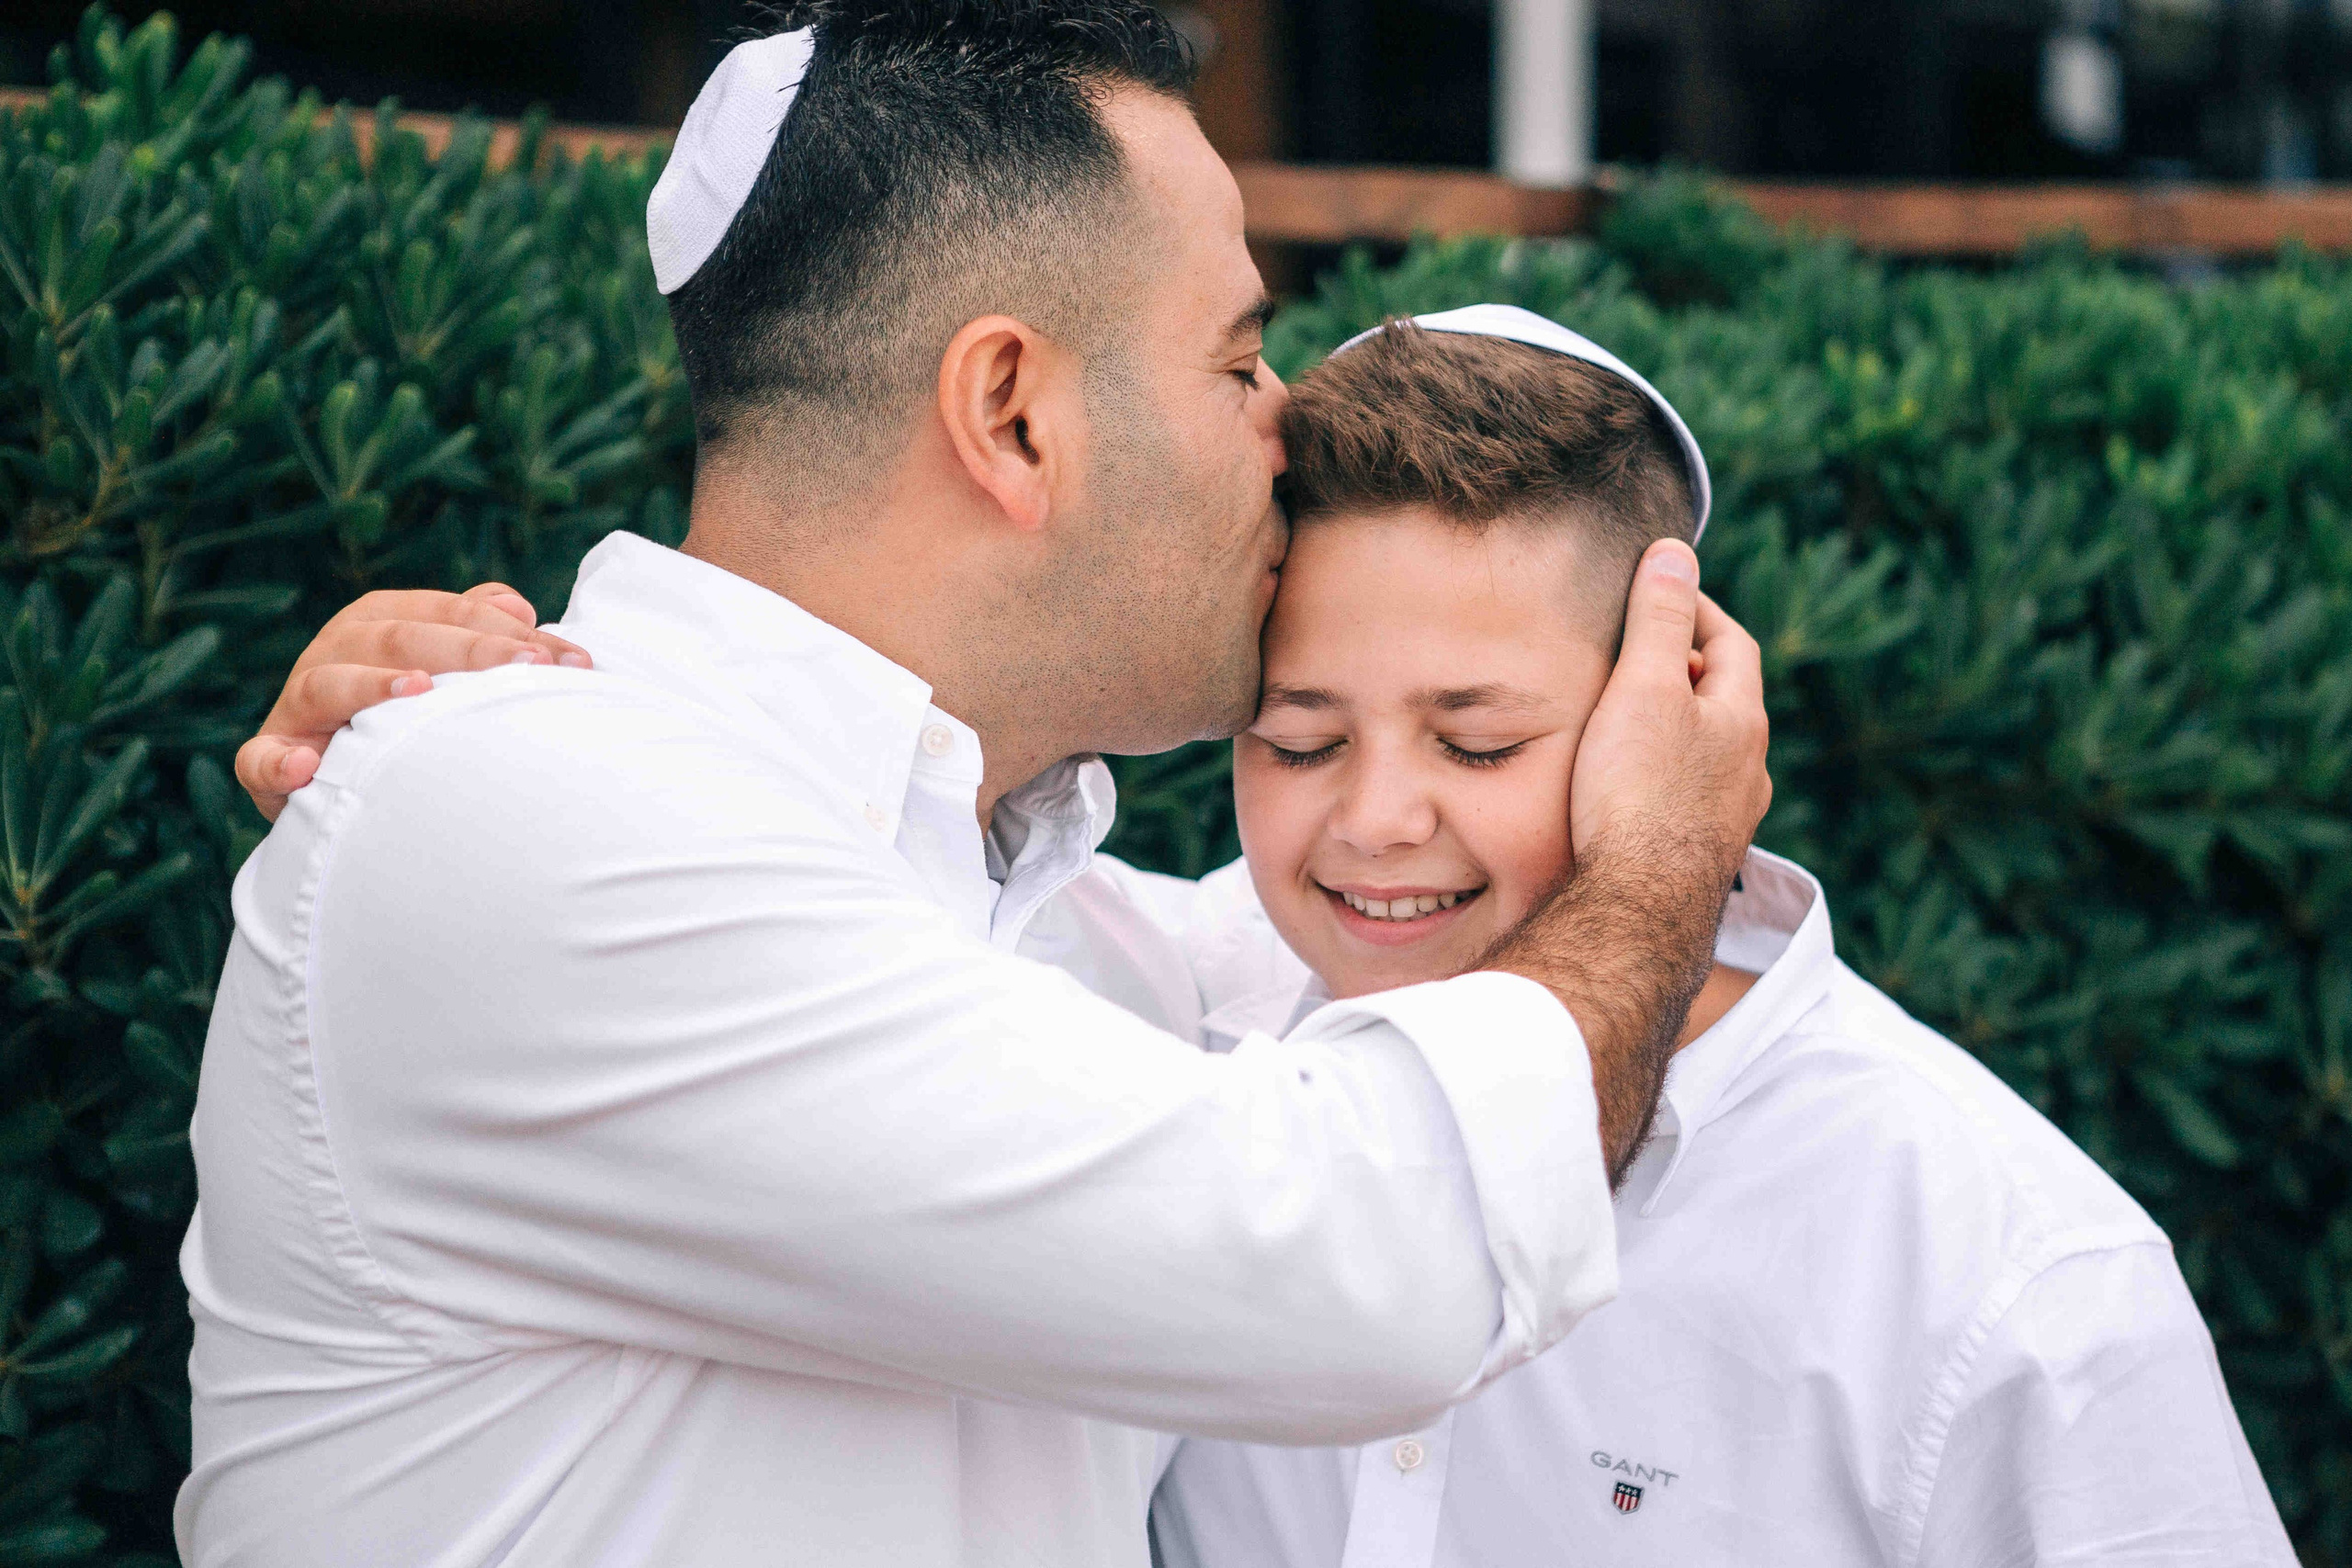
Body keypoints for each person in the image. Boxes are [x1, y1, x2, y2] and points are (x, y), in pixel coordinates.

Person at [179, 8, 1770, 1568]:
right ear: (1011, 414)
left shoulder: (1028, 912)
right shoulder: (529, 821)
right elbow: (1371, 1252)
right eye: (1234, 360)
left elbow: (1389, 941)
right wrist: (1660, 853)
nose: (1286, 427)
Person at [1141, 309, 2294, 1565]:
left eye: (1478, 744)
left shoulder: (2008, 1273)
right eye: (1298, 740)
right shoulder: (1147, 1021)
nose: (1373, 822)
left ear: (1678, 708)